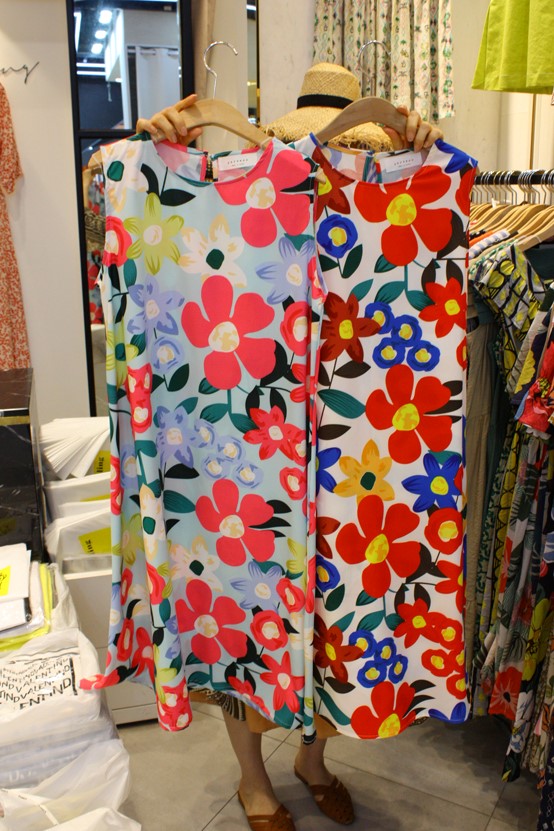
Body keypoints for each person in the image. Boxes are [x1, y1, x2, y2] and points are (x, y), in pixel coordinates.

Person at [134, 88, 444, 831]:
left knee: (337, 608)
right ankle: (253, 780)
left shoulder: (382, 192)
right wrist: (151, 146)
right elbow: (128, 220)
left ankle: (312, 759)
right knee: (246, 602)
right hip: (251, 430)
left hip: (352, 430)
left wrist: (422, 153)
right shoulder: (245, 182)